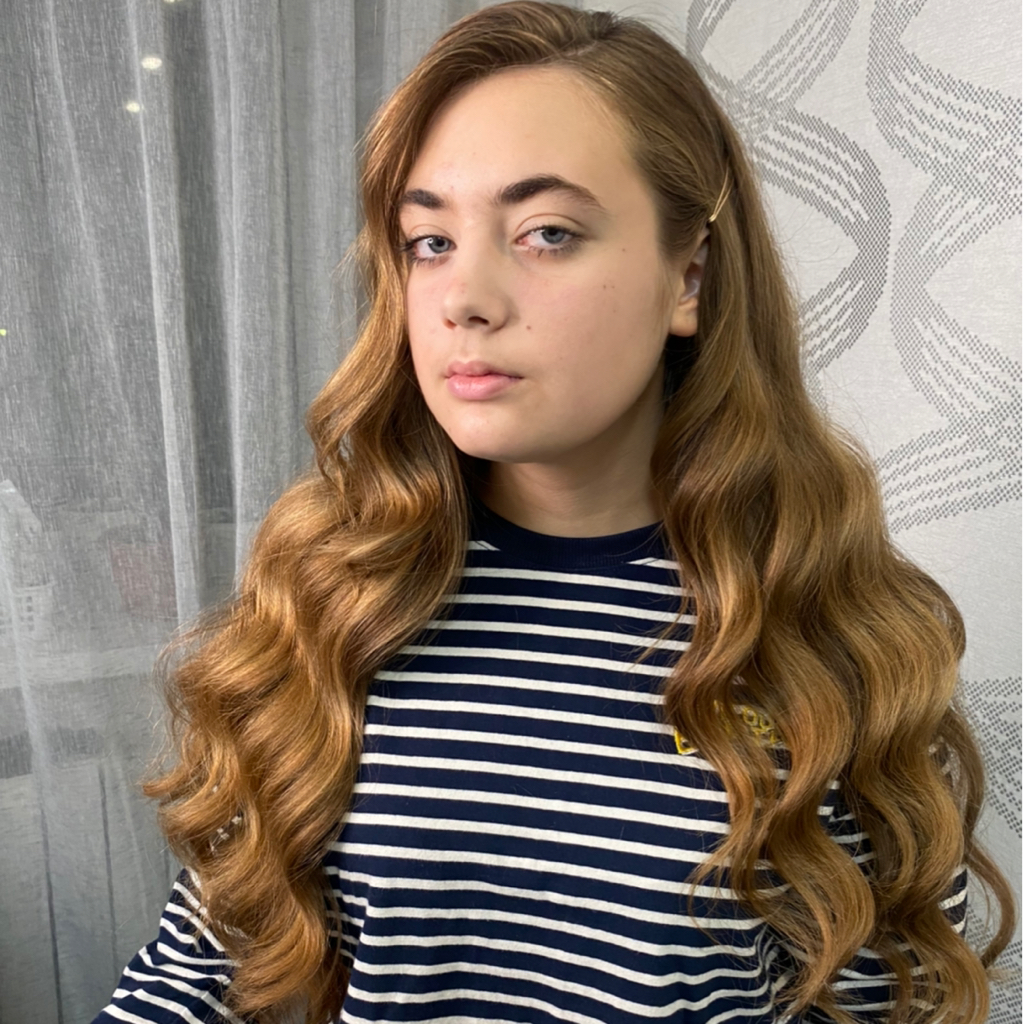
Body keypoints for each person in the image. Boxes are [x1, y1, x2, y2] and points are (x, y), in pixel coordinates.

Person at [92, 3, 1014, 1023]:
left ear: (689, 275)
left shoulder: (827, 633)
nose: (464, 298)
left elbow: (890, 998)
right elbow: (200, 967)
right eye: (429, 240)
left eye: (546, 234)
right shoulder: (332, 591)